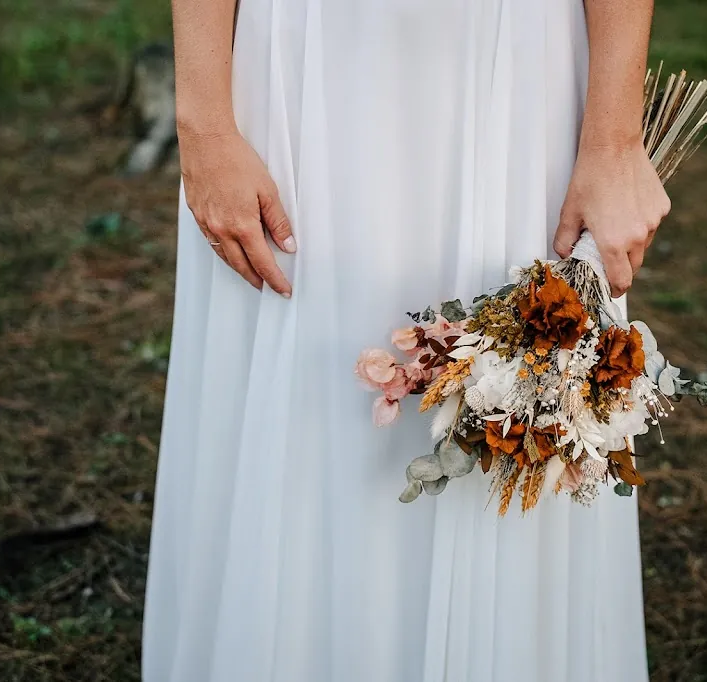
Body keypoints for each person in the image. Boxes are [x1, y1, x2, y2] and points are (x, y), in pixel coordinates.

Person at [142, 1, 670, 680]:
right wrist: (206, 125)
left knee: (521, 384)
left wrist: (615, 142)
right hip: (302, 65)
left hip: (515, 68)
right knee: (299, 382)